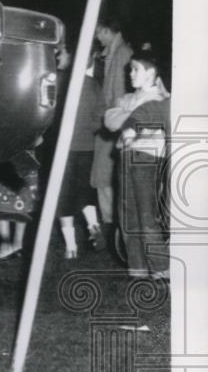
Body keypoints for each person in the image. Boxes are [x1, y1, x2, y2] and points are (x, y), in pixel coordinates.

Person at [103, 49, 170, 280]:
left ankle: (160, 267)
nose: (130, 73)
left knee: (146, 214)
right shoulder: (129, 98)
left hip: (147, 159)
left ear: (150, 73)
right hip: (125, 158)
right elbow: (110, 120)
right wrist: (133, 118)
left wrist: (131, 116)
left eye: (135, 69)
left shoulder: (159, 99)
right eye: (130, 69)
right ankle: (137, 268)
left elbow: (148, 125)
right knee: (127, 215)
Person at [56, 49, 104, 259]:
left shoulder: (61, 82)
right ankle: (93, 224)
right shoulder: (92, 84)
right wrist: (87, 128)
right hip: (87, 146)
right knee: (84, 191)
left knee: (63, 196)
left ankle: (71, 247)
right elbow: (101, 115)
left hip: (63, 149)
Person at [90, 19, 133, 231]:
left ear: (107, 31)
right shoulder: (111, 53)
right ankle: (111, 219)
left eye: (99, 32)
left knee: (104, 173)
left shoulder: (121, 53)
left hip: (113, 122)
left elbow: (118, 92)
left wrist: (113, 122)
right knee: (103, 173)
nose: (97, 37)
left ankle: (111, 221)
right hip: (109, 120)